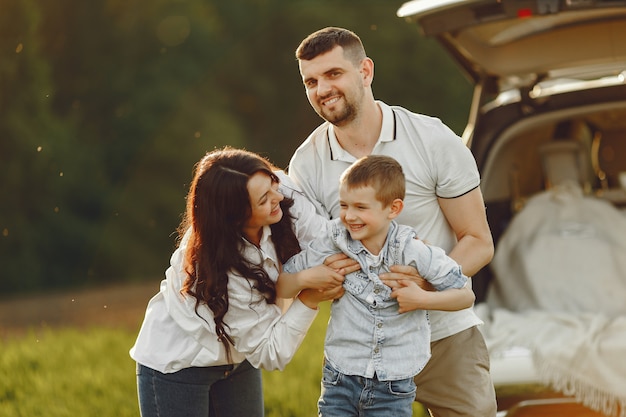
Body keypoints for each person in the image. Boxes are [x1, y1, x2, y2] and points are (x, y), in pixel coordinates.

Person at [289, 27, 497, 417]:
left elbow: (477, 240)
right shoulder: (306, 164)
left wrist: (423, 283)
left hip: (445, 338)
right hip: (360, 357)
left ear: (365, 71)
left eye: (334, 74)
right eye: (311, 81)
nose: (322, 89)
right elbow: (313, 259)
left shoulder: (432, 139)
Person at [129, 147, 346, 417]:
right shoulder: (217, 266)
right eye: (264, 199)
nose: (279, 196)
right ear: (235, 216)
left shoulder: (276, 190)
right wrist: (310, 297)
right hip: (179, 366)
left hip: (238, 358)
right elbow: (271, 352)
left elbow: (327, 239)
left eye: (273, 185)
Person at [282, 155, 475, 417]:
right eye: (344, 205)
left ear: (393, 209)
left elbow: (465, 296)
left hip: (393, 384)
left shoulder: (412, 250)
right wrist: (308, 278)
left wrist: (421, 299)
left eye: (361, 207)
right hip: (340, 375)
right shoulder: (334, 239)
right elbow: (282, 284)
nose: (349, 216)